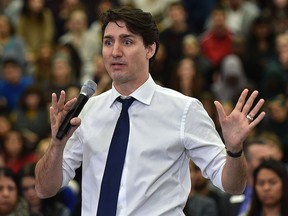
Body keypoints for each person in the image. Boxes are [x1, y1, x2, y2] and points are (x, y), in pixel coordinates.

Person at [35, 6, 266, 215]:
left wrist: (234, 150)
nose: (115, 51)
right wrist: (56, 145)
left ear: (150, 49)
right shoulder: (87, 111)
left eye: (126, 42)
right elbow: (44, 188)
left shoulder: (184, 109)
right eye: (108, 42)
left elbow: (232, 185)